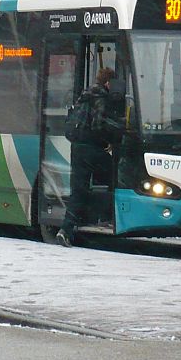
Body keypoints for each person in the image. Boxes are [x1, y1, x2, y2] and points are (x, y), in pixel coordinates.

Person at [58, 67, 117, 247]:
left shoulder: (85, 95)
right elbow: (99, 125)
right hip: (92, 148)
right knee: (115, 176)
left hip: (77, 147)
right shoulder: (101, 98)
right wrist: (110, 139)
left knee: (79, 189)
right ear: (108, 83)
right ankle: (107, 216)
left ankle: (65, 229)